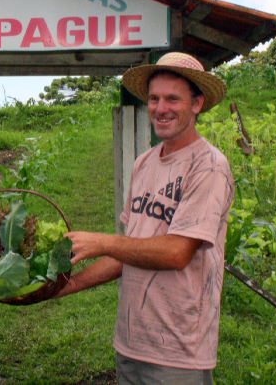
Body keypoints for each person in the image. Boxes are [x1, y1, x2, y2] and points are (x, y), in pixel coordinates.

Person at [56, 52, 234, 385]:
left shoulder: (208, 166)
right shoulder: (144, 163)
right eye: (154, 98)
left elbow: (176, 252)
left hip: (179, 352)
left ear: (196, 104)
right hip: (132, 341)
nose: (160, 108)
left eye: (172, 99)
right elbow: (130, 252)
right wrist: (64, 287)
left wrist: (102, 242)